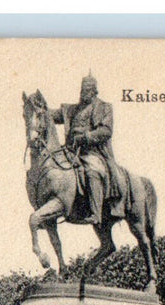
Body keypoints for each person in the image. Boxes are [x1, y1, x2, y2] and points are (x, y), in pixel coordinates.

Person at [51, 74, 117, 225]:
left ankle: (95, 213)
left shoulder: (104, 107)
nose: (83, 93)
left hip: (93, 152)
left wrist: (86, 137)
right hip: (71, 151)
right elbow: (52, 115)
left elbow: (106, 131)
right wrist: (40, 108)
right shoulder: (72, 109)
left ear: (94, 91)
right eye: (82, 89)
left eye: (87, 90)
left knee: (92, 171)